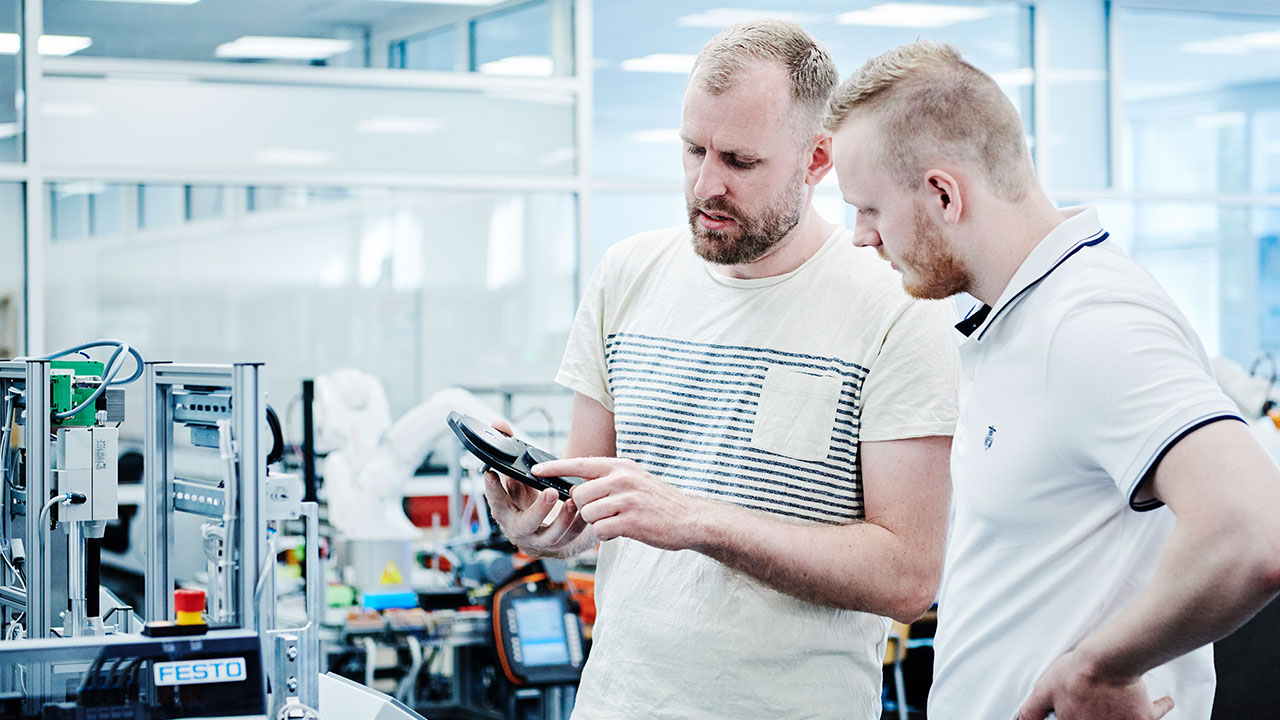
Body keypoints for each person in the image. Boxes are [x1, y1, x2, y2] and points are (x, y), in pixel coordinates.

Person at [482, 20, 961, 720]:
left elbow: (909, 575)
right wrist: (540, 526)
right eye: (692, 150)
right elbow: (589, 509)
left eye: (739, 160)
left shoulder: (897, 308)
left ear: (817, 157)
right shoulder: (628, 275)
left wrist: (696, 520)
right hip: (617, 702)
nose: (707, 184)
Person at [823, 39, 1280, 720]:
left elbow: (1255, 529)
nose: (861, 237)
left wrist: (1099, 669)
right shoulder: (1021, 316)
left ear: (944, 194)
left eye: (868, 209)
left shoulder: (1088, 322)